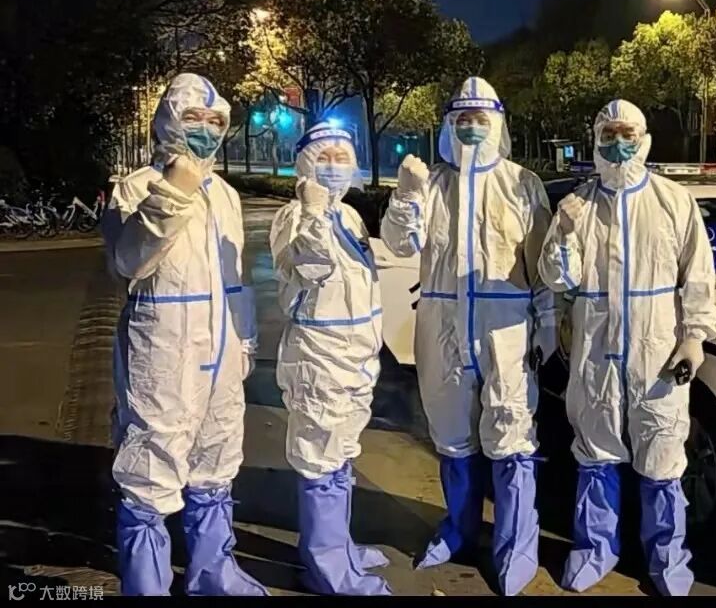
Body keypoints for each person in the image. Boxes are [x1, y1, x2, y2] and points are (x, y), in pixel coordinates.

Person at [380, 77, 558, 596]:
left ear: (497, 124)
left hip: (506, 330)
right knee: (453, 435)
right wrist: (405, 197)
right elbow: (399, 244)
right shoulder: (432, 184)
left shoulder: (523, 184)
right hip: (443, 327)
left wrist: (548, 322)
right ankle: (457, 531)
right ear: (448, 126)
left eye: (481, 120)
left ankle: (515, 547)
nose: (472, 128)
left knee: (511, 435)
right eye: (463, 120)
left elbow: (544, 265)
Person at [538, 99, 716, 596]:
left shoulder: (673, 201)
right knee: (595, 454)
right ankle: (595, 550)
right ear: (596, 141)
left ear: (644, 140)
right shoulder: (578, 205)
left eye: (627, 134)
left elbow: (699, 276)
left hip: (656, 355)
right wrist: (564, 234)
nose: (618, 144)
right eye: (609, 135)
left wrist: (694, 336)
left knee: (662, 456)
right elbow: (558, 280)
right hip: (596, 353)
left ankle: (667, 560)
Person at [102, 73, 266, 596]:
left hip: (221, 354)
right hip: (164, 352)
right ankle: (146, 584)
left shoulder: (227, 197)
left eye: (215, 121)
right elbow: (128, 262)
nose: (205, 129)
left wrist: (245, 340)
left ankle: (213, 573)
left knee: (216, 456)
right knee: (152, 462)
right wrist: (172, 193)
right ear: (169, 119)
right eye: (192, 117)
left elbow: (237, 279)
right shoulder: (135, 188)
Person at [270, 122, 391, 596]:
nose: (335, 166)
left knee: (340, 452)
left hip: (355, 356)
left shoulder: (349, 215)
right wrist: (314, 212)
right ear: (305, 163)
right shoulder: (294, 216)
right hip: (319, 356)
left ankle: (337, 546)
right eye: (325, 157)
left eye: (343, 157)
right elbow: (313, 266)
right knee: (320, 456)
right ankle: (329, 571)